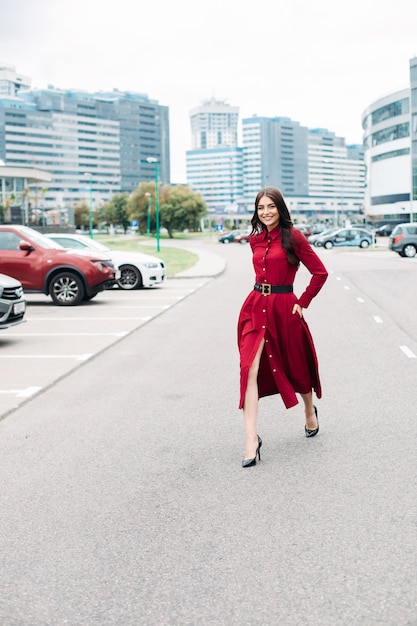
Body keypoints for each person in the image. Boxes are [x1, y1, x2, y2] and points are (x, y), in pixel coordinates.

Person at [238, 187, 328, 468]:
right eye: (260, 207)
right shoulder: (254, 241)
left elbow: (320, 272)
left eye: (271, 207)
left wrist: (303, 301)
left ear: (280, 208)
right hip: (255, 307)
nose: (265, 212)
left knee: (296, 365)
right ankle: (251, 439)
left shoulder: (294, 237)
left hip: (284, 308)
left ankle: (309, 410)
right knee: (248, 369)